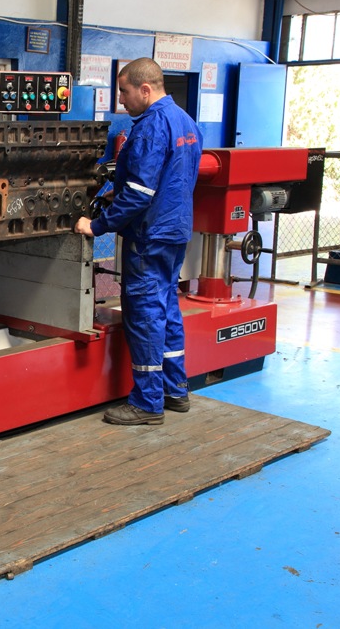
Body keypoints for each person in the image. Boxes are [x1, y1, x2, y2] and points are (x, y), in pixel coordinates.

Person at [74, 57, 202, 425]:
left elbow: (140, 193)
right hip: (175, 230)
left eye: (124, 92)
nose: (121, 99)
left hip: (149, 236)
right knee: (167, 308)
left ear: (145, 90)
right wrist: (122, 192)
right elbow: (172, 177)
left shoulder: (150, 127)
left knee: (145, 315)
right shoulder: (186, 122)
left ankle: (147, 403)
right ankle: (175, 390)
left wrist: (97, 225)